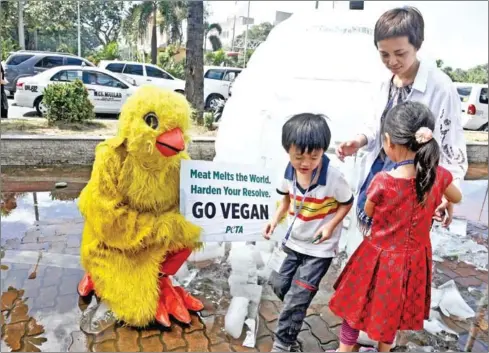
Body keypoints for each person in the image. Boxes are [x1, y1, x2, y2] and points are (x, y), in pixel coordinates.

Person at [328, 101, 463, 353]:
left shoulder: (382, 181)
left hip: (376, 258)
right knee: (392, 312)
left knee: (355, 308)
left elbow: (368, 212)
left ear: (388, 141)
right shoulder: (439, 176)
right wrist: (444, 202)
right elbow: (456, 197)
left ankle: (344, 351)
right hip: (413, 261)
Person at [336, 6, 467, 237]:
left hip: (412, 182)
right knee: (370, 235)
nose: (392, 61)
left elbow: (451, 147)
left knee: (403, 243)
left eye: (400, 53)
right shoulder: (382, 81)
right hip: (380, 174)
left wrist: (448, 195)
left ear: (417, 45)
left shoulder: (440, 87)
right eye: (384, 54)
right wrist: (358, 141)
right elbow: (374, 125)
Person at [263, 113, 354, 352]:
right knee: (278, 284)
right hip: (292, 241)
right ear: (288, 151)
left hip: (319, 249)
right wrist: (275, 220)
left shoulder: (333, 178)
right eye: (298, 156)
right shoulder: (288, 171)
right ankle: (295, 310)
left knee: (296, 298)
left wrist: (330, 225)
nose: (306, 163)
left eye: (314, 156)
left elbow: (347, 202)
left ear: (323, 151)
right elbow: (285, 199)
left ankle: (283, 344)